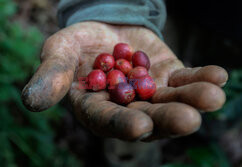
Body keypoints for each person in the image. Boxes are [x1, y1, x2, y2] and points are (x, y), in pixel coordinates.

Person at [22, 0, 228, 142]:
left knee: (198, 94)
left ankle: (209, 133)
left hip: (230, 32)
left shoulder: (125, 73)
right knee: (133, 126)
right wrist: (116, 6)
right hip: (170, 10)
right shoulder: (118, 72)